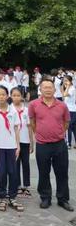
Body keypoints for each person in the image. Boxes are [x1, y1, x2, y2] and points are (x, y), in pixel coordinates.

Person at [28, 78, 73, 211]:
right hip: (42, 144)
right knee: (43, 172)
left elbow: (66, 123)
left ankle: (62, 199)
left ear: (55, 89)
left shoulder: (62, 105)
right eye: (45, 87)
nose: (48, 89)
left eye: (50, 87)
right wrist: (40, 134)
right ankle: (45, 197)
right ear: (40, 89)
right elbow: (32, 122)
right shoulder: (33, 104)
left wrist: (58, 133)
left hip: (59, 144)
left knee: (62, 173)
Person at [0, 86, 23, 212]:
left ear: (7, 95)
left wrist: (18, 146)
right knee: (1, 172)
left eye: (3, 94)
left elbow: (16, 129)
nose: (1, 97)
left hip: (12, 146)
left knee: (13, 172)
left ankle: (13, 196)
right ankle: (2, 196)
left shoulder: (13, 111)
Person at [11, 87, 34, 197]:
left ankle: (26, 185)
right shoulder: (9, 110)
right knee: (16, 164)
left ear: (22, 97)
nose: (16, 97)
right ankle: (17, 185)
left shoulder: (26, 110)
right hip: (14, 142)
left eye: (18, 95)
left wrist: (31, 142)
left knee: (26, 163)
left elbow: (29, 127)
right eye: (14, 95)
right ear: (10, 96)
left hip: (25, 140)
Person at [62, 75, 76, 149]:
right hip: (71, 110)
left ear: (70, 81)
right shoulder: (70, 88)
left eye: (66, 80)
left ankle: (68, 143)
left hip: (70, 110)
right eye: (64, 80)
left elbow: (64, 94)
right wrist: (65, 86)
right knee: (73, 128)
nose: (64, 82)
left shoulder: (72, 89)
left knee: (68, 127)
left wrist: (67, 86)